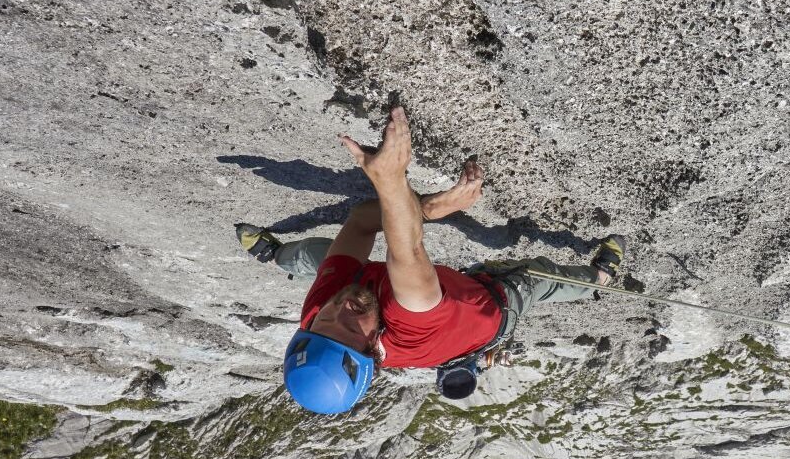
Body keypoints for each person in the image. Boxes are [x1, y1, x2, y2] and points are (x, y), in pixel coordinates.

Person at [235, 107, 624, 414]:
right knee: (541, 277)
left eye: (324, 322)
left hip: (437, 319)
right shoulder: (410, 317)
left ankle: (276, 254)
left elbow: (361, 222)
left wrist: (430, 208)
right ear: (373, 349)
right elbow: (406, 250)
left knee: (319, 258)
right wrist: (391, 180)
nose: (341, 309)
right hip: (492, 308)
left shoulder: (322, 314)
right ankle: (600, 277)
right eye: (350, 328)